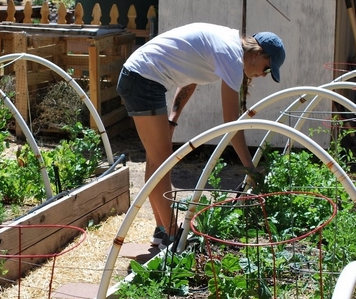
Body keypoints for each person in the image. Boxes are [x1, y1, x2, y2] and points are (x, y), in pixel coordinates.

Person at [116, 22, 285, 247]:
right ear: (257, 54)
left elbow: (191, 76)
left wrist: (172, 119)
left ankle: (162, 231)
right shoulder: (232, 57)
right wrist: (250, 169)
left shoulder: (227, 44)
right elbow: (232, 125)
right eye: (267, 68)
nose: (263, 75)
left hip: (141, 77)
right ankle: (172, 237)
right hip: (144, 79)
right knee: (161, 164)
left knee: (157, 162)